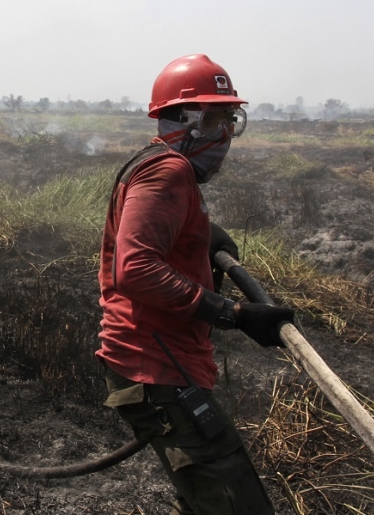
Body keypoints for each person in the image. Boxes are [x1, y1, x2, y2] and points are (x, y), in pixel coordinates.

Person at [96, 54, 295, 515]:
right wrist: (233, 314)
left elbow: (149, 240)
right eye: (217, 120)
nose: (225, 134)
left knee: (206, 499)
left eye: (231, 121)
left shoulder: (155, 162)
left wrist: (199, 237)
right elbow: (136, 267)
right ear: (188, 121)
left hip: (161, 362)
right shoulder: (169, 171)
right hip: (156, 366)